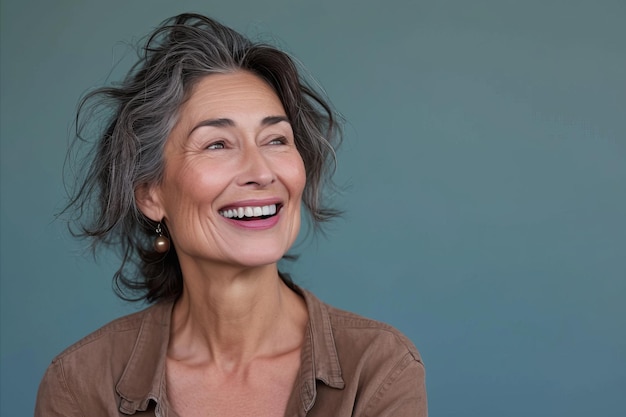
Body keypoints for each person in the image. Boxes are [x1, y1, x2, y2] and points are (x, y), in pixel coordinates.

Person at [35, 13, 427, 417]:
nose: (260, 172)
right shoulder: (79, 384)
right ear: (151, 194)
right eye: (217, 144)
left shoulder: (378, 368)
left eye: (276, 139)